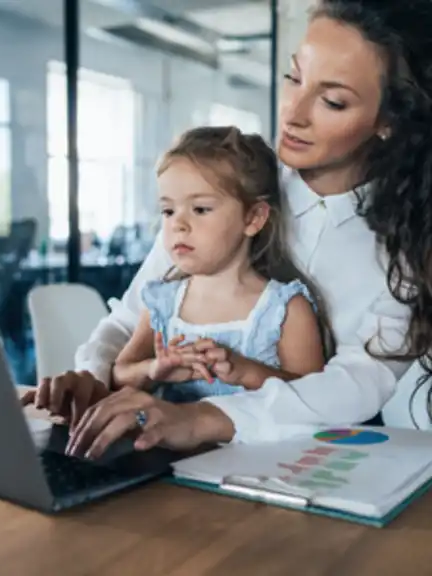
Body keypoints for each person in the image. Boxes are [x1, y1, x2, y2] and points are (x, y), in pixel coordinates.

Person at [24, 0, 432, 459]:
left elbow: (359, 382)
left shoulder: (410, 242)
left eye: (332, 101)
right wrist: (92, 377)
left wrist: (201, 419)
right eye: (294, 78)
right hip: (169, 453)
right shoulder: (225, 189)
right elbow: (135, 313)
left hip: (313, 467)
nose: (293, 113)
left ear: (388, 123)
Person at [112, 127, 326, 404]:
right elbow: (120, 374)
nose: (178, 224)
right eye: (168, 210)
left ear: (253, 218)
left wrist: (246, 371)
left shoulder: (285, 309)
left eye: (200, 209)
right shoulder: (161, 302)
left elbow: (318, 401)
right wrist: (154, 370)